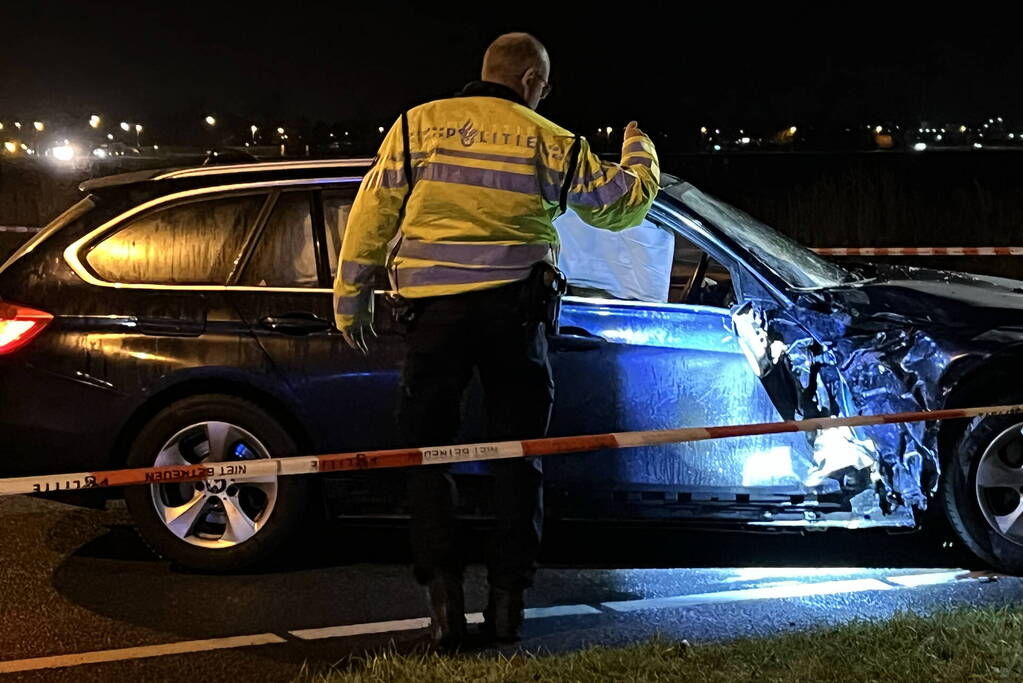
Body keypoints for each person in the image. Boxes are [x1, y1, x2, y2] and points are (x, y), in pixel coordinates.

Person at [333, 32, 660, 648]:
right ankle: (507, 609)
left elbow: (371, 214)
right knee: (519, 459)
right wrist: (640, 150)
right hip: (516, 318)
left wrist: (351, 304)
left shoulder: (415, 127)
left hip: (433, 320)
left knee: (427, 457)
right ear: (532, 80)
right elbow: (620, 207)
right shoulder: (548, 137)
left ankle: (443, 613)